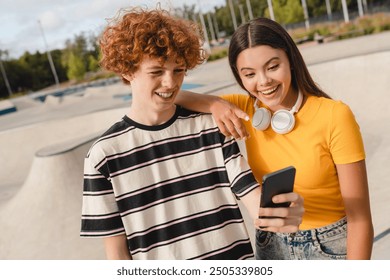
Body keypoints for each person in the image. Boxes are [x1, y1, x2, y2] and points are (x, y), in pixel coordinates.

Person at [80, 8, 304, 260]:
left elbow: (251, 197)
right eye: (157, 72)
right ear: (127, 70)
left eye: (179, 70)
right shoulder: (102, 157)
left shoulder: (211, 127)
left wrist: (277, 217)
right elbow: (117, 255)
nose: (170, 83)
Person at [176, 17, 374, 260]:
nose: (263, 82)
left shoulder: (334, 115)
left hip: (329, 247)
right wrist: (215, 103)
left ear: (290, 59)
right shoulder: (244, 110)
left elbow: (360, 219)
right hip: (270, 246)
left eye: (272, 67)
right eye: (249, 74)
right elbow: (172, 95)